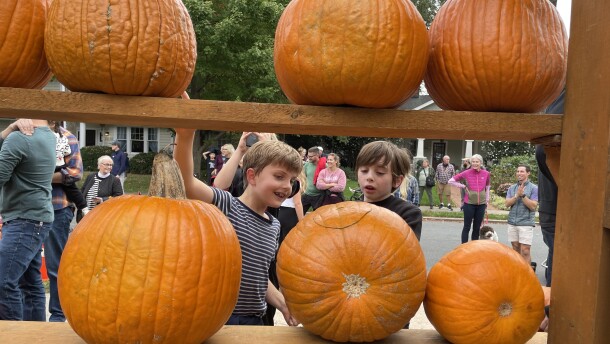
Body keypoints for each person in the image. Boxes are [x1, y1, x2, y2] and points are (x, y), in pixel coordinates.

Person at [174, 120, 300, 326]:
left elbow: (258, 277)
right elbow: (186, 184)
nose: (287, 186)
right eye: (279, 176)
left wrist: (283, 304)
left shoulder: (274, 226)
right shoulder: (227, 206)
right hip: (220, 319)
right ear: (252, 176)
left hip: (255, 320)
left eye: (292, 180)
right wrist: (186, 136)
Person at [0, 118, 55, 321]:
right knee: (30, 283)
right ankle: (36, 335)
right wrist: (9, 129)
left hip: (24, 220)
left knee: (3, 282)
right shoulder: (48, 135)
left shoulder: (20, 139)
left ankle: (12, 336)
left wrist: (10, 131)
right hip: (36, 218)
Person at [355, 141, 422, 240]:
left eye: (379, 172)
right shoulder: (350, 209)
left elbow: (407, 251)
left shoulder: (408, 213)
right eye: (364, 171)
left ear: (396, 180)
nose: (369, 177)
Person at [537, 88, 564, 287]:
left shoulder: (553, 92)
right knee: (564, 272)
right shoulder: (577, 87)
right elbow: (544, 150)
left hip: (552, 203)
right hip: (558, 204)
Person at [448, 154, 491, 243]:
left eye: (477, 162)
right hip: (469, 204)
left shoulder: (486, 174)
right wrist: (463, 186)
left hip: (481, 205)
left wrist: (486, 201)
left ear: (481, 163)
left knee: (476, 228)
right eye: (473, 162)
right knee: (467, 227)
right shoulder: (466, 172)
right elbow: (451, 181)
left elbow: (487, 187)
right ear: (471, 163)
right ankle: (463, 247)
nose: (475, 164)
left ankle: (473, 248)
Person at [505, 164, 538, 267]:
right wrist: (516, 195)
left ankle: (528, 274)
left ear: (528, 173)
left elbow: (533, 206)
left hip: (526, 223)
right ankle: (518, 271)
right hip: (512, 223)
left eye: (522, 171)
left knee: (525, 251)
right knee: (515, 249)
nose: (519, 173)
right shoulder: (512, 188)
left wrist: (523, 195)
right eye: (518, 171)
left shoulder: (534, 188)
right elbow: (507, 204)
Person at [52, 122, 87, 213]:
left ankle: (83, 207)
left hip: (58, 206)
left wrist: (37, 177)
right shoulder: (23, 132)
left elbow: (75, 173)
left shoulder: (67, 137)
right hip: (25, 209)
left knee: (69, 184)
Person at [78, 155, 124, 220]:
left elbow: (119, 197)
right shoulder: (91, 176)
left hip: (103, 216)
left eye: (111, 165)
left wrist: (102, 199)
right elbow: (82, 191)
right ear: (99, 165)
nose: (109, 167)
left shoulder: (115, 180)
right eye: (107, 165)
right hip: (86, 215)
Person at [301, 147, 325, 213]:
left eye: (311, 156)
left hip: (319, 196)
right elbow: (302, 178)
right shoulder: (307, 165)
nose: (309, 158)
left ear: (317, 155)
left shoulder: (324, 166)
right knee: (298, 215)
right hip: (306, 194)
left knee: (317, 217)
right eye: (308, 156)